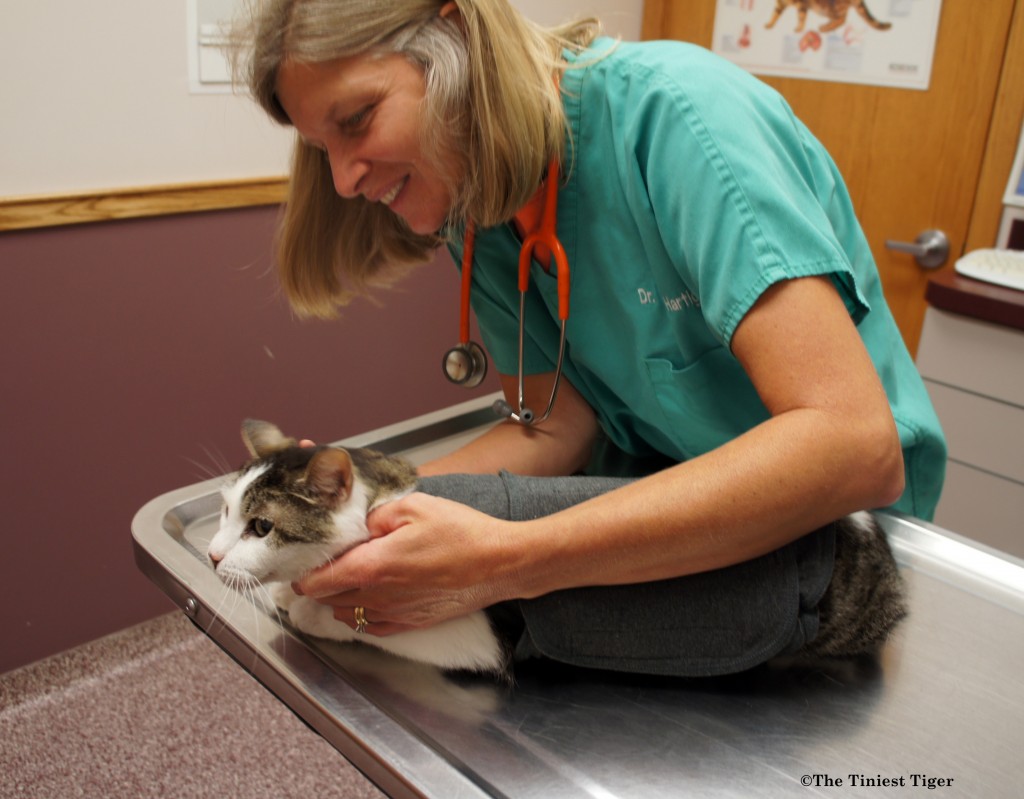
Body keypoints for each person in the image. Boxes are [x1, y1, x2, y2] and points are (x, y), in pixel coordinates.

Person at [234, 0, 945, 651]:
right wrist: (352, 498)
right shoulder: (481, 195)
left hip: (836, 539)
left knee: (480, 607)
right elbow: (553, 425)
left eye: (356, 119)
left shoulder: (680, 117)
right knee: (380, 578)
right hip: (652, 508)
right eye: (320, 146)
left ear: (454, 35)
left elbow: (853, 446)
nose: (342, 182)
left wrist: (510, 561)